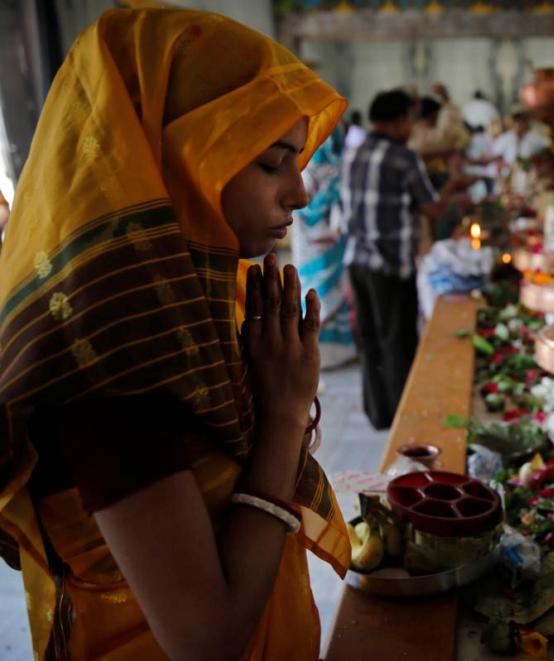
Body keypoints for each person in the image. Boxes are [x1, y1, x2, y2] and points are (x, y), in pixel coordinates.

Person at [0, 8, 350, 659]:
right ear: (181, 162)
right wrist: (281, 415)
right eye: (273, 164)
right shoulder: (111, 358)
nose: (300, 193)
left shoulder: (188, 304)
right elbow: (205, 637)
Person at [340, 89, 471, 430]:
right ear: (399, 121)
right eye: (410, 119)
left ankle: (377, 412)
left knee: (369, 339)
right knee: (398, 341)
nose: (412, 126)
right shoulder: (403, 157)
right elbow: (432, 207)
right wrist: (453, 185)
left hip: (357, 262)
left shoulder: (354, 151)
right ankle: (404, 419)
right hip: (391, 265)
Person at [293, 124, 356, 370]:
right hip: (313, 241)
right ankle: (318, 351)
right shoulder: (307, 165)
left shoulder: (334, 162)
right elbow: (304, 204)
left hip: (332, 239)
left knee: (334, 292)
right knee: (316, 291)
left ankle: (337, 351)